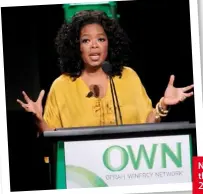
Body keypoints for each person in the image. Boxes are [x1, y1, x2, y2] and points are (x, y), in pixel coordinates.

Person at [17, 10, 194, 133]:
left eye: (100, 39)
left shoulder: (128, 77)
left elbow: (147, 124)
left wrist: (163, 105)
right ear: (76, 46)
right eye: (86, 40)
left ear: (109, 43)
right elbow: (53, 137)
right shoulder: (62, 86)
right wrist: (38, 120)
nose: (94, 45)